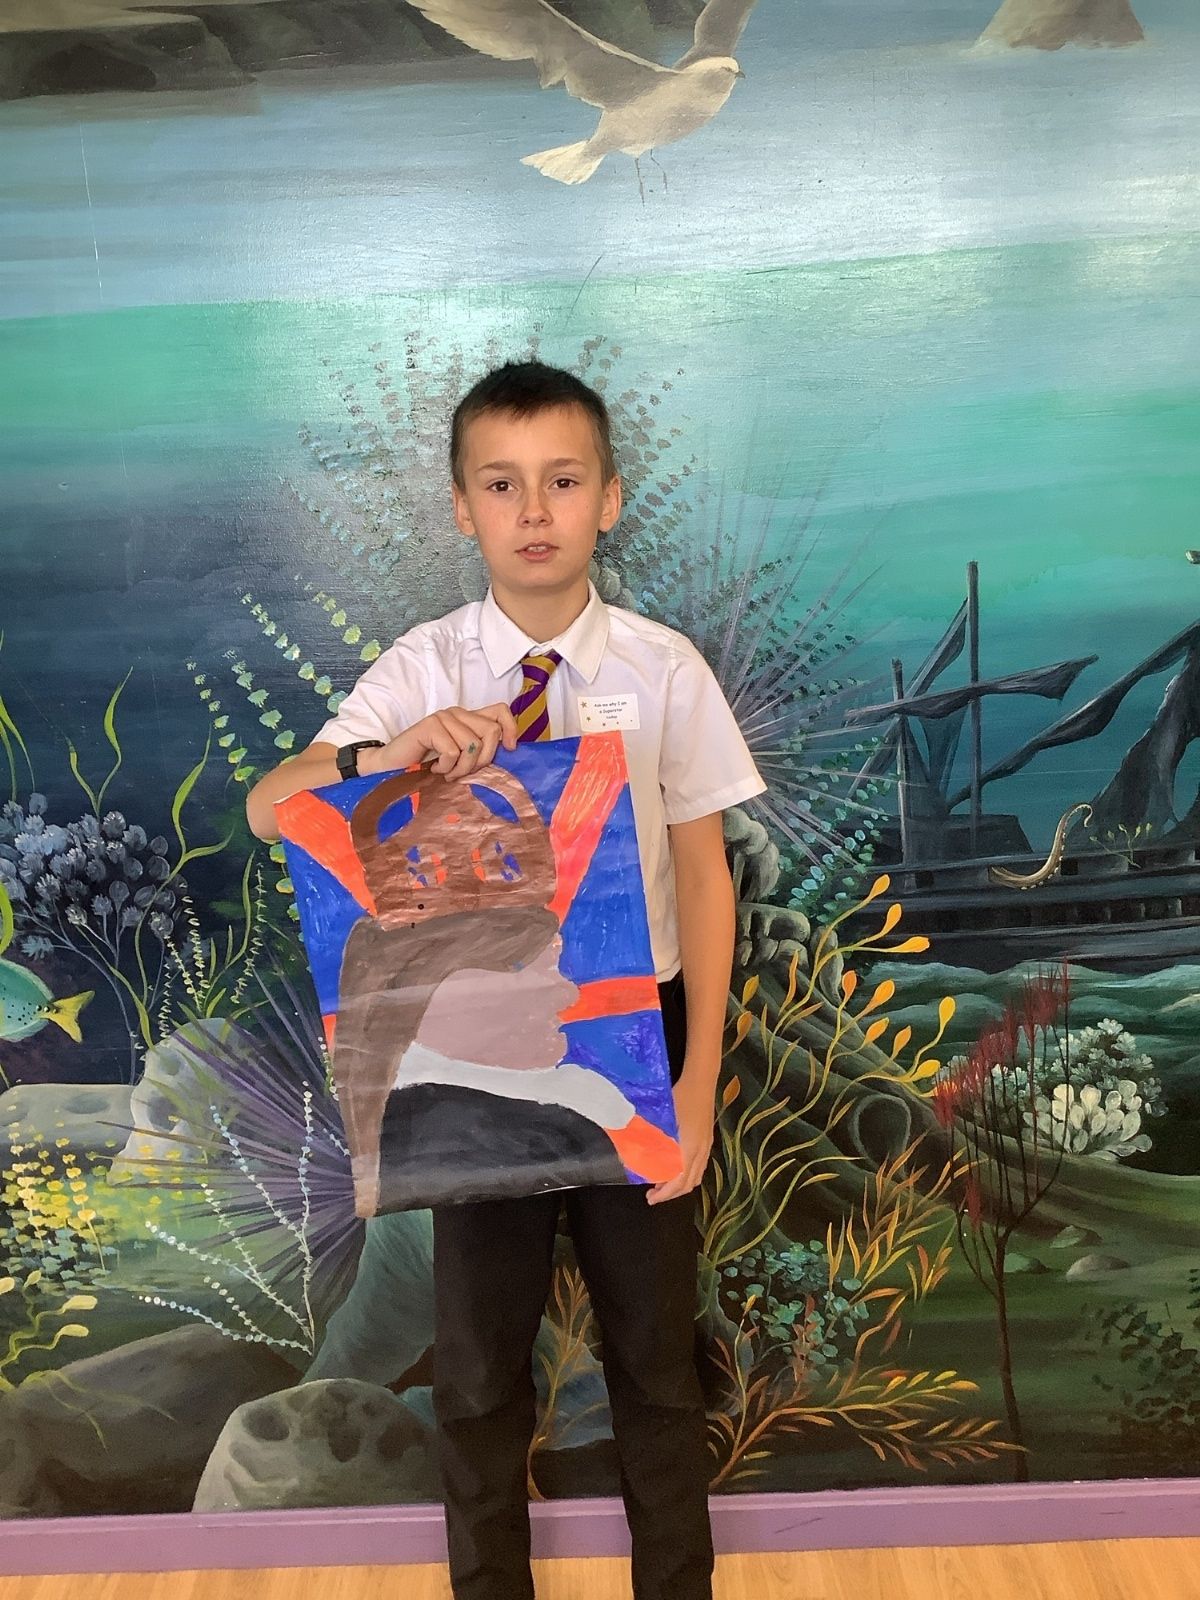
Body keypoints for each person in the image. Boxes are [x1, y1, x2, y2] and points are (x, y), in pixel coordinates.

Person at [247, 359, 765, 1600]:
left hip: (637, 1034)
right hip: (469, 1060)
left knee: (656, 1358)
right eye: (502, 483)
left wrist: (697, 1084)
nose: (535, 510)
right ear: (461, 507)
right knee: (478, 1368)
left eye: (563, 481)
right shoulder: (423, 668)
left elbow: (707, 879)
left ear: (610, 498)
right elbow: (271, 805)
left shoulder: (663, 669)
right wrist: (389, 751)